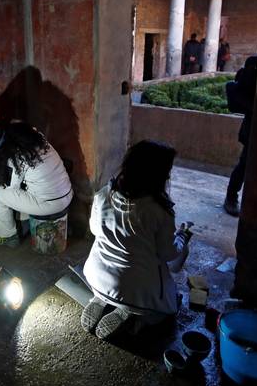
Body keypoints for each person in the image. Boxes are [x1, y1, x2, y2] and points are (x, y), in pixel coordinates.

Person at [80, 140, 191, 340]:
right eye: (166, 171)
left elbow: (95, 230)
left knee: (113, 280)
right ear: (156, 175)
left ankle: (99, 298)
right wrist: (181, 238)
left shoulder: (104, 194)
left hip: (96, 275)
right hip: (137, 291)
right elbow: (168, 253)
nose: (168, 176)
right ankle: (129, 313)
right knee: (168, 308)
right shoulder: (159, 211)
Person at [0, 120, 73, 247]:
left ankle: (7, 236)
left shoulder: (15, 157)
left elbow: (12, 188)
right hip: (67, 193)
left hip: (51, 204)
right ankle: (25, 223)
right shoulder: (37, 136)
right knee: (29, 184)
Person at [224, 55, 257, 217]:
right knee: (244, 165)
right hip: (254, 128)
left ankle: (234, 198)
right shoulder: (252, 74)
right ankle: (231, 197)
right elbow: (238, 95)